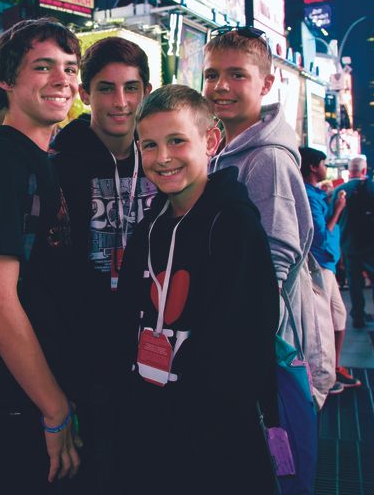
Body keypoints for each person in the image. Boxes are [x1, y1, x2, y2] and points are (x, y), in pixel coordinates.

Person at [114, 84, 278, 492]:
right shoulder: (150, 226)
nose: (162, 158)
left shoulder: (234, 224)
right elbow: (125, 315)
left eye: (176, 141)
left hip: (216, 436)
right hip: (149, 424)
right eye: (149, 146)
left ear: (210, 140)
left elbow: (250, 337)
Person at [0, 17, 82, 492]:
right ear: (5, 81)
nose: (62, 80)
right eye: (43, 67)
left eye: (69, 68)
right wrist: (54, 410)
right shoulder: (1, 165)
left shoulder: (37, 159)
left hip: (34, 391)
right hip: (19, 401)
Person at [202, 26, 333, 406]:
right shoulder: (225, 147)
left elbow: (274, 261)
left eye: (237, 74)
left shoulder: (267, 158)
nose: (220, 86)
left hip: (260, 345)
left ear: (266, 83)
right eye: (212, 74)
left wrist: (240, 347)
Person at [49, 36, 156, 492]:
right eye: (106, 88)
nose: (120, 102)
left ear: (146, 92)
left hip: (149, 351)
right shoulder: (57, 163)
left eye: (131, 88)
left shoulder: (159, 157)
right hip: (81, 359)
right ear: (84, 94)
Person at [300, 147, 361, 393]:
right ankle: (324, 374)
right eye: (324, 163)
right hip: (319, 265)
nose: (326, 168)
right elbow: (320, 236)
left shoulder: (314, 193)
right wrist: (337, 210)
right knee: (325, 321)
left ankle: (333, 368)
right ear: (314, 167)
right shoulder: (308, 195)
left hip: (327, 265)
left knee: (337, 316)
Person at [331, 157, 374, 328]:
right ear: (364, 171)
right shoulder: (371, 187)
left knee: (354, 283)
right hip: (371, 243)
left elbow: (333, 219)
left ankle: (358, 317)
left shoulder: (340, 190)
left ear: (349, 170)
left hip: (349, 244)